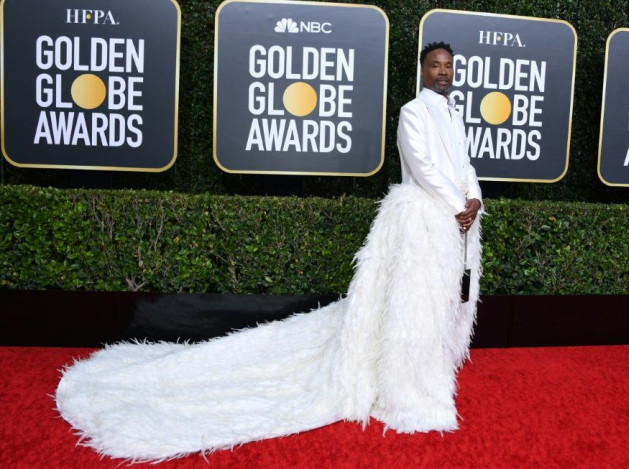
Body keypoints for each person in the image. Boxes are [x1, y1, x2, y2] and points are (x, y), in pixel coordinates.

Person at [55, 41, 483, 463]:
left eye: (448, 66)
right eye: (435, 65)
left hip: (456, 225)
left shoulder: (456, 115)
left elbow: (466, 165)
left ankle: (433, 367)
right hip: (421, 222)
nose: (443, 72)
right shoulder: (412, 112)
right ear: (423, 71)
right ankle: (406, 385)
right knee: (411, 308)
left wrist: (474, 200)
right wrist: (456, 204)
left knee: (444, 303)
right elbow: (422, 166)